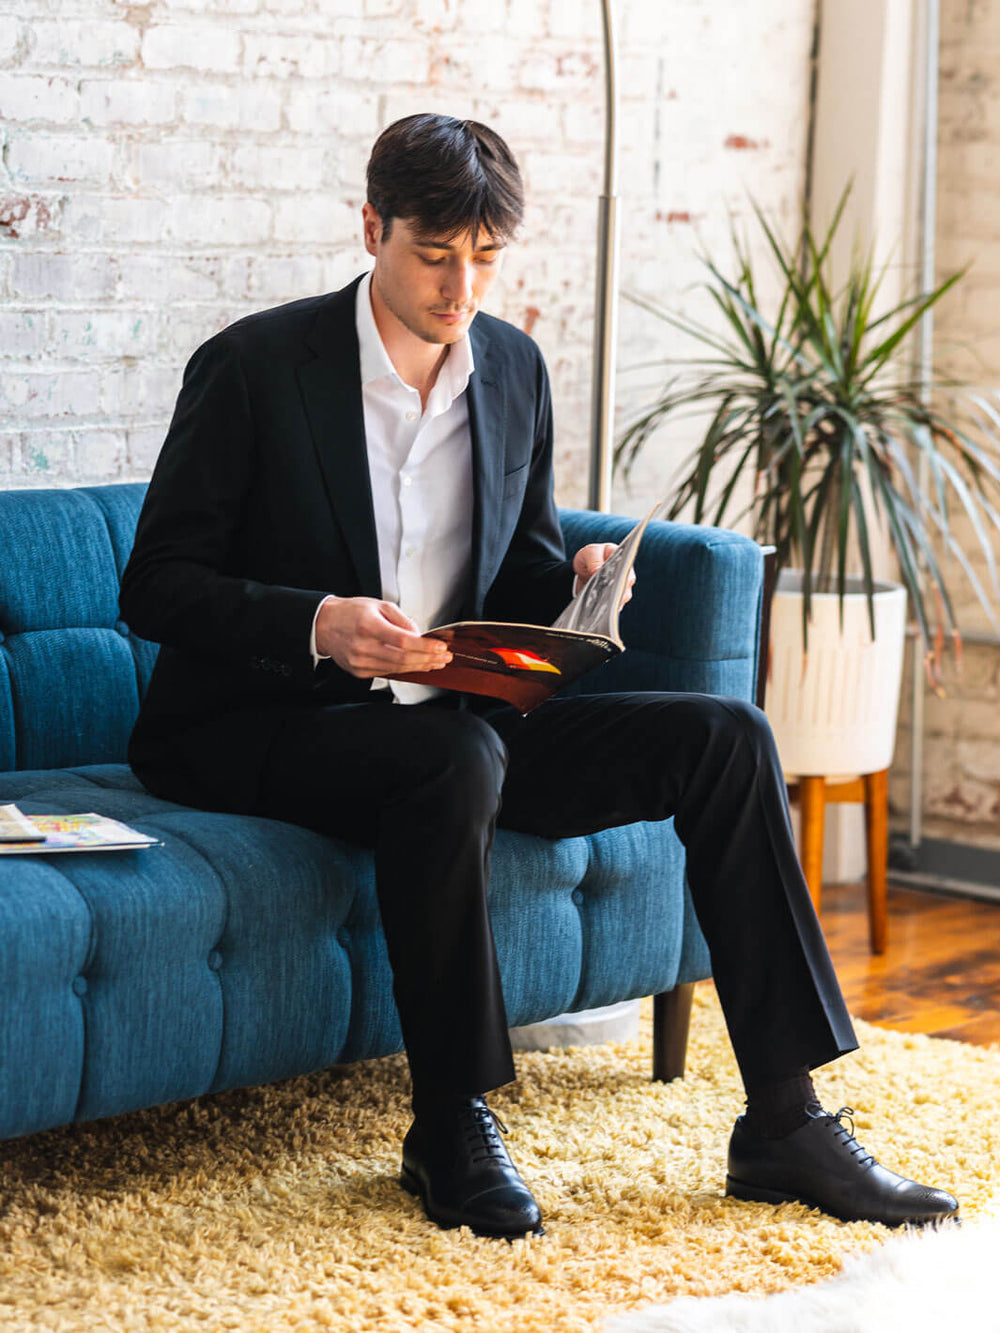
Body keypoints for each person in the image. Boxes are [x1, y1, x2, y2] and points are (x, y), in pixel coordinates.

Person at [119, 113, 958, 1240]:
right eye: (434, 255)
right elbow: (156, 584)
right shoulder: (256, 368)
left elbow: (513, 563)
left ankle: (784, 1120)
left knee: (727, 735)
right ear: (372, 228)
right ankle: (450, 1121)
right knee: (453, 755)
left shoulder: (511, 367)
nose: (459, 287)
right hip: (271, 723)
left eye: (484, 258)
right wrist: (319, 623)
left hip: (456, 721)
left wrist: (576, 582)